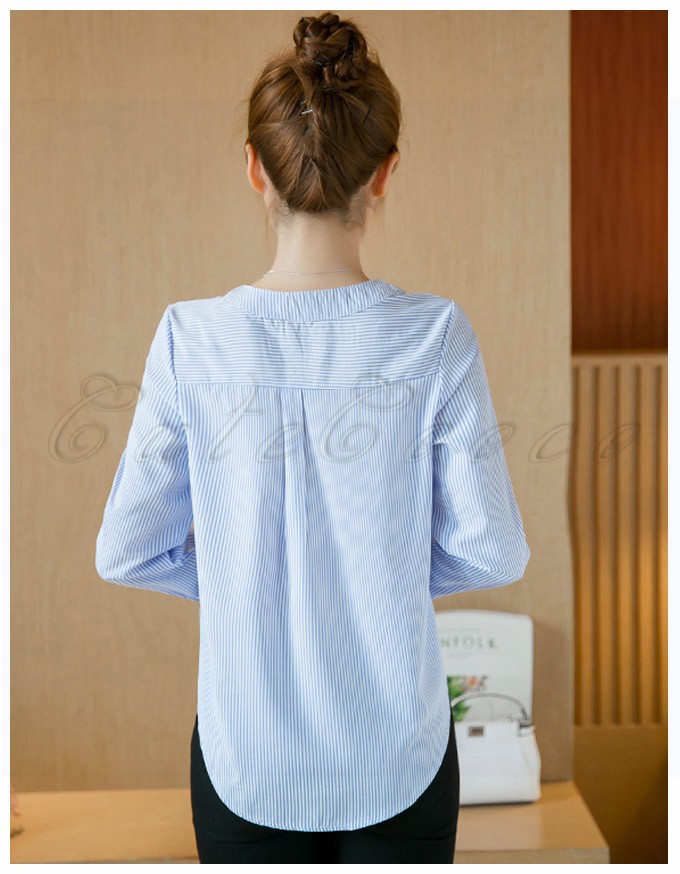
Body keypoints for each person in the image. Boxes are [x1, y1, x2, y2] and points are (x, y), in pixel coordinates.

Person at [95, 10, 531, 864]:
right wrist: (376, 575)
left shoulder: (190, 340)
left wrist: (248, 577)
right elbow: (494, 551)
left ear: (255, 168)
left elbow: (127, 551)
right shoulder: (434, 336)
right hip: (399, 759)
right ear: (387, 172)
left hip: (244, 762)